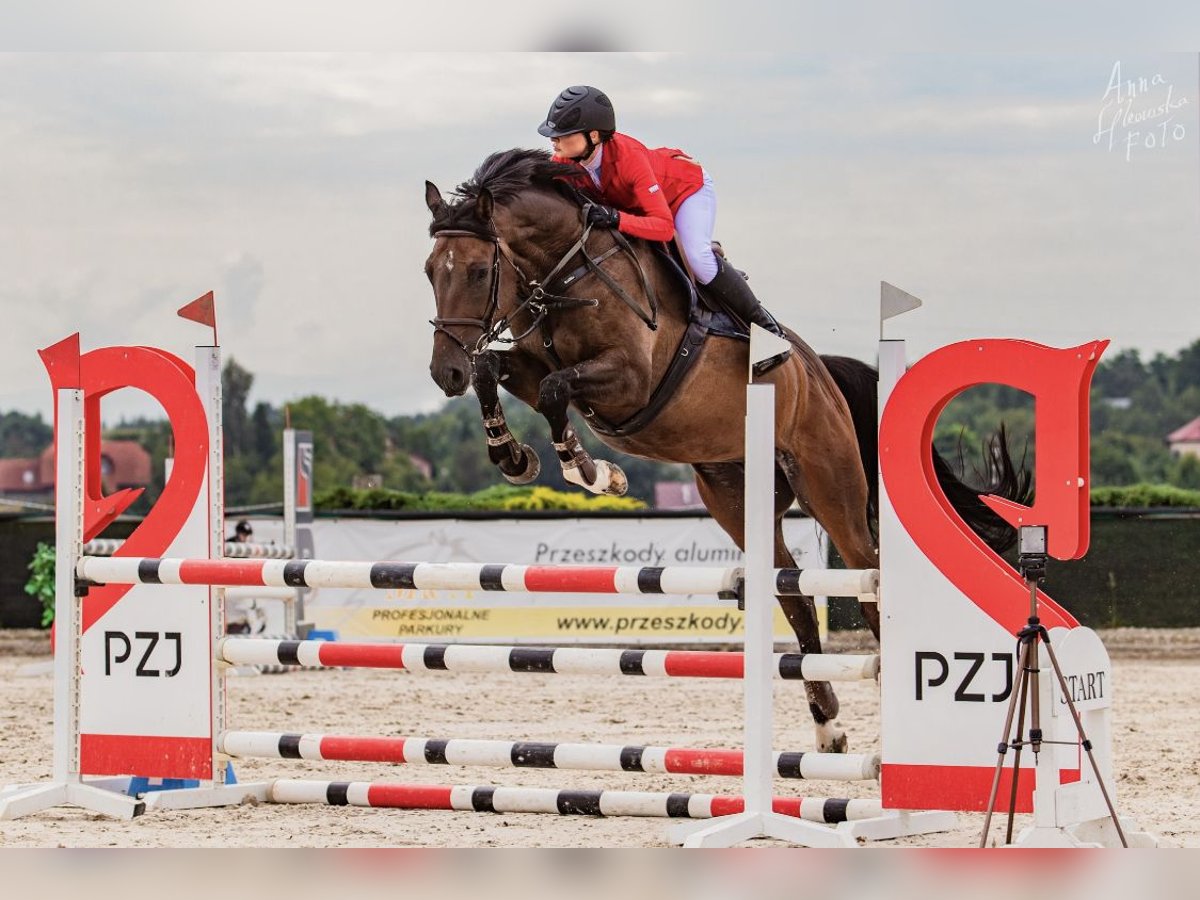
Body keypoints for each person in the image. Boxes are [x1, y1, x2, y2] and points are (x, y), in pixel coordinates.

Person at [537, 85, 791, 373]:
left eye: (562, 134)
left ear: (593, 135)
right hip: (643, 206)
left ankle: (769, 331)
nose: (554, 140)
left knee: (699, 260)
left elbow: (662, 227)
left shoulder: (629, 158)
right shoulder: (563, 162)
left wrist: (617, 218)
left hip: (685, 194)